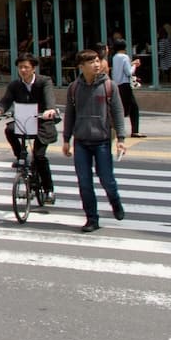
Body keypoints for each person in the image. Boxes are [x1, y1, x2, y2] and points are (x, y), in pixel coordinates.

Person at [62, 49, 127, 233]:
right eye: (91, 62)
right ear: (81, 67)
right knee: (84, 182)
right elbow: (70, 115)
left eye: (98, 61)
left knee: (107, 179)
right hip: (81, 141)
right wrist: (66, 139)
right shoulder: (74, 88)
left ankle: (115, 201)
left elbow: (118, 113)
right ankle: (92, 218)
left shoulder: (109, 86)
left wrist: (121, 139)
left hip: (102, 141)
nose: (96, 64)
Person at [0, 54, 59, 204]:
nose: (23, 70)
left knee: (39, 156)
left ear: (33, 68)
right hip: (24, 121)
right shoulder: (15, 85)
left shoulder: (44, 81)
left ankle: (49, 190)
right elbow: (5, 100)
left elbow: (50, 100)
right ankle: (20, 156)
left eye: (26, 67)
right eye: (20, 67)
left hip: (42, 122)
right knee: (9, 129)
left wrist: (50, 110)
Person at [110, 39, 144, 137]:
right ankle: (133, 131)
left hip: (117, 85)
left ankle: (116, 128)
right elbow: (129, 72)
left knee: (125, 108)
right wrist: (134, 65)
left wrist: (131, 63)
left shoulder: (115, 57)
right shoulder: (124, 57)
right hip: (125, 85)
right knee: (131, 108)